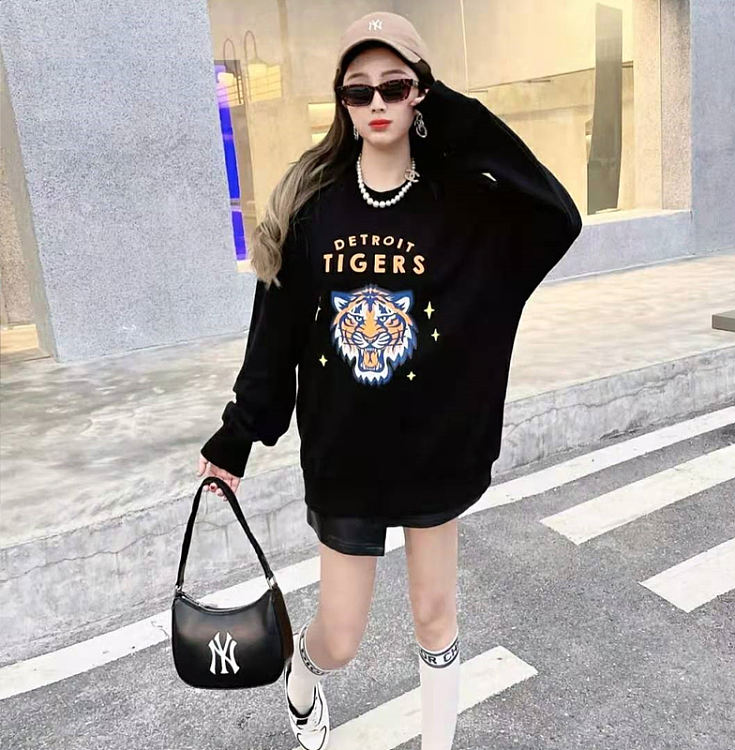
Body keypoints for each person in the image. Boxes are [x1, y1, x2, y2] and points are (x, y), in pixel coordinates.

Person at [197, 10, 582, 750]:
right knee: (341, 636)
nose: (376, 103)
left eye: (395, 86)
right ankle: (302, 676)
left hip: (436, 447)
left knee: (435, 617)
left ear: (420, 94)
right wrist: (238, 434)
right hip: (345, 454)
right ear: (341, 102)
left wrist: (459, 117)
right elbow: (275, 335)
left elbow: (555, 215)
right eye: (358, 90)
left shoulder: (461, 205)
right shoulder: (311, 208)